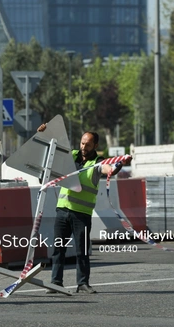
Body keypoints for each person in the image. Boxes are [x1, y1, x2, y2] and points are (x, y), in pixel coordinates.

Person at [36, 123, 131, 294]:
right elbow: (50, 151)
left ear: (95, 145)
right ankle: (56, 282)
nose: (83, 147)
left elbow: (109, 169)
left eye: (87, 144)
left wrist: (121, 164)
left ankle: (82, 283)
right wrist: (42, 133)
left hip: (82, 215)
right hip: (62, 211)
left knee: (82, 251)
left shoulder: (97, 163)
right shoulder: (71, 156)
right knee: (58, 249)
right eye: (82, 143)